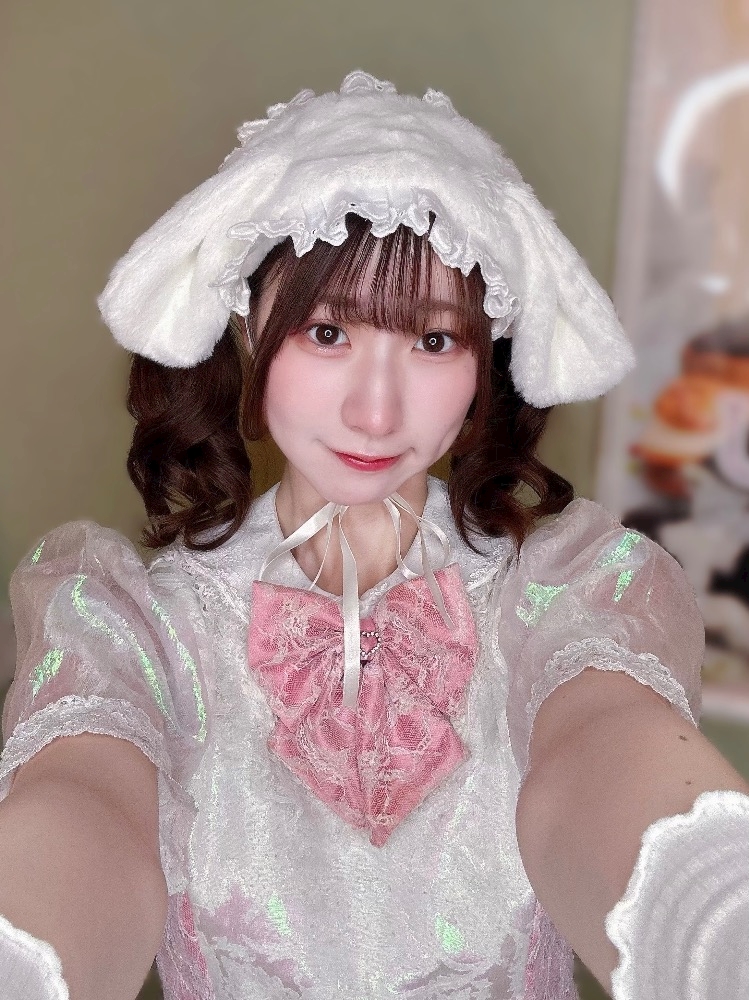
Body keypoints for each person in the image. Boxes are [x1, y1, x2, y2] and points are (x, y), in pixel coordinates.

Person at [1, 71, 747, 1000]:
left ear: (485, 360)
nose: (375, 410)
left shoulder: (558, 593)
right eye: (327, 333)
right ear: (249, 328)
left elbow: (605, 747)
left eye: (433, 342)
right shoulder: (138, 627)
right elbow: (84, 808)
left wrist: (716, 921)